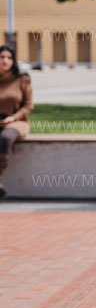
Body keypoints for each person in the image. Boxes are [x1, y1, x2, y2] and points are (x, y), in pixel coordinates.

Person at [0, 45, 32, 198]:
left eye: (8, 57)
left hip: (17, 122)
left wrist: (13, 118)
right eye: (1, 57)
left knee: (5, 137)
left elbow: (28, 105)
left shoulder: (22, 79)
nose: (5, 60)